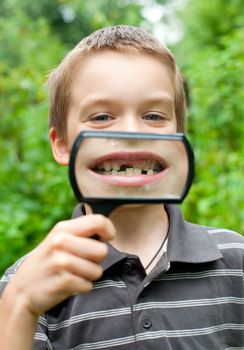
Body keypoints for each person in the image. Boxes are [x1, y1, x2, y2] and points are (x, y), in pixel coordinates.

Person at [0, 25, 243, 350]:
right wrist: (19, 307)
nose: (131, 132)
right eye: (101, 117)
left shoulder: (236, 261)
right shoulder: (29, 285)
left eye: (154, 116)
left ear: (178, 138)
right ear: (61, 145)